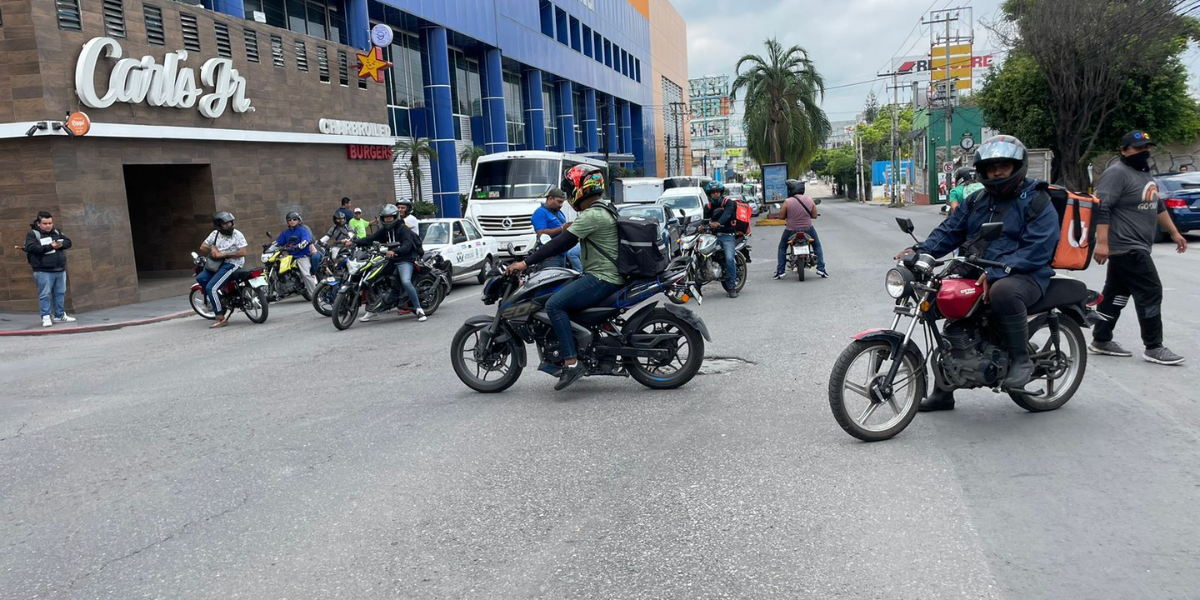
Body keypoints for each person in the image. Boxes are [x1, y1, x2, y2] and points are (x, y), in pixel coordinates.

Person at [896, 135, 1061, 412]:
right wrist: (921, 252)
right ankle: (944, 391)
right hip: (977, 268)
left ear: (1016, 167)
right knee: (941, 297)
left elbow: (1039, 247)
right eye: (991, 167)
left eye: (1003, 166)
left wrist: (1001, 270)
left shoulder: (1036, 200)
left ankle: (1020, 359)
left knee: (1004, 292)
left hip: (1026, 273)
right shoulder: (976, 201)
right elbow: (950, 231)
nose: (996, 172)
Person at [506, 165, 622, 391]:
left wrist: (525, 263)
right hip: (605, 274)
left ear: (581, 190)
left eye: (570, 191)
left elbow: (562, 243)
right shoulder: (604, 209)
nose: (568, 198)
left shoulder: (593, 215)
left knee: (554, 304)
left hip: (602, 277)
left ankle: (571, 362)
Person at [1089, 130, 1188, 365]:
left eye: (1146, 147)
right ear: (1124, 150)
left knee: (1116, 294)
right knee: (1151, 291)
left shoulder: (1143, 174)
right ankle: (1154, 346)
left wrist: (1175, 233)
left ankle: (1101, 339)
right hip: (1127, 246)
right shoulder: (1116, 173)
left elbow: (1158, 205)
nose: (1144, 152)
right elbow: (1102, 207)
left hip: (1137, 245)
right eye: (1138, 148)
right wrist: (1102, 243)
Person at [348, 204, 427, 322]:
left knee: (406, 281)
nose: (388, 220)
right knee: (371, 279)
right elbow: (371, 238)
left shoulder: (403, 229)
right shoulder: (385, 230)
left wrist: (395, 251)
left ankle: (419, 309)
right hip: (390, 259)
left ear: (395, 217)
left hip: (404, 259)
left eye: (390, 217)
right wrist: (354, 242)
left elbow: (407, 246)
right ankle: (372, 311)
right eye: (385, 218)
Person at [196, 212, 248, 329]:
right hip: (216, 264)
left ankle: (220, 317)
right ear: (218, 225)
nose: (228, 225)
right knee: (201, 278)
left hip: (232, 263)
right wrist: (212, 248)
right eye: (225, 223)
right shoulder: (215, 234)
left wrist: (223, 255)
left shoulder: (237, 234)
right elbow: (202, 246)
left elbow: (243, 252)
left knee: (212, 288)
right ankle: (221, 299)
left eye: (230, 222)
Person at [23, 211, 75, 327]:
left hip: (60, 269)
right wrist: (50, 246)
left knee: (60, 293)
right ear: (38, 223)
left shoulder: (56, 232)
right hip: (43, 270)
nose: (48, 225)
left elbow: (68, 242)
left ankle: (60, 315)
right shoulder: (33, 234)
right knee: (45, 294)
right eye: (45, 223)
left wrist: (60, 244)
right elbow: (31, 248)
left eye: (50, 223)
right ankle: (46, 316)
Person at [773, 179, 828, 279]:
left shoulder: (787, 201)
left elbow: (781, 216)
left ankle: (780, 271)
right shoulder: (809, 200)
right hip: (808, 229)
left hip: (791, 230)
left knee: (782, 247)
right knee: (817, 246)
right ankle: (821, 269)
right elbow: (814, 215)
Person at [702, 180, 740, 297]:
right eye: (713, 192)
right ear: (709, 194)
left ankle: (732, 287)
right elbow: (705, 220)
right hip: (711, 236)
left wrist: (718, 223)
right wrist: (700, 226)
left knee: (729, 258)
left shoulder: (728, 202)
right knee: (700, 254)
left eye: (717, 192)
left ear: (721, 192)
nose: (715, 194)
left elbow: (727, 214)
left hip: (726, 236)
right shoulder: (707, 206)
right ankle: (695, 285)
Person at [531, 187, 583, 271]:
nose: (561, 205)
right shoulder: (540, 212)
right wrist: (562, 228)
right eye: (559, 202)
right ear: (550, 199)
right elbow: (540, 233)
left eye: (562, 202)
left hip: (562, 253)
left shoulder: (558, 212)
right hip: (550, 256)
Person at [275, 211, 318, 297]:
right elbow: (278, 242)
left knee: (305, 274)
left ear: (298, 220)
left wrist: (298, 246)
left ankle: (314, 295)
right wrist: (269, 247)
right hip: (289, 256)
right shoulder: (285, 232)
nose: (292, 221)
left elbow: (306, 241)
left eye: (294, 219)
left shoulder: (303, 230)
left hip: (301, 255)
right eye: (289, 220)